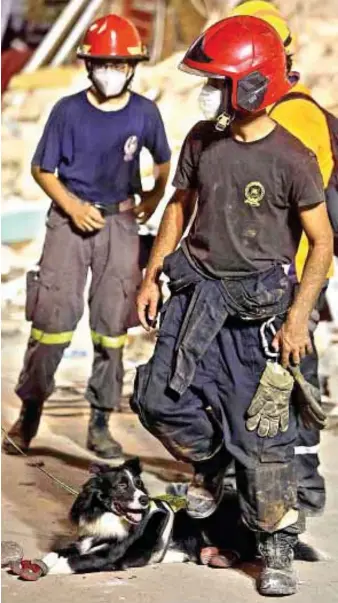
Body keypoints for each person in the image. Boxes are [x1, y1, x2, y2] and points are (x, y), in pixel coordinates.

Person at [130, 15, 333, 596]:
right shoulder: (202, 137)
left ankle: (275, 550)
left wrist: (298, 319)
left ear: (251, 85)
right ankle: (214, 464)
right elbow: (179, 204)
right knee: (156, 399)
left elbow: (320, 242)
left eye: (220, 82)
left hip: (259, 314)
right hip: (197, 295)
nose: (210, 93)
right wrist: (151, 275)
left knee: (264, 443)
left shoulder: (292, 157)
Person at [2, 14, 171, 459]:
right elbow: (43, 169)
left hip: (119, 222)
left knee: (112, 325)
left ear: (133, 67)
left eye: (119, 63)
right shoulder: (67, 111)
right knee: (53, 319)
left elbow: (163, 162)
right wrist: (73, 206)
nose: (111, 71)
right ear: (87, 65)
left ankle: (100, 420)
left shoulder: (145, 113)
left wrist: (152, 197)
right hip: (69, 220)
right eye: (102, 63)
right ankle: (30, 411)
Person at [229, 0, 335, 517]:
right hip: (274, 272)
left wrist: (296, 300)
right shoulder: (266, 112)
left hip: (290, 273)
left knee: (292, 368)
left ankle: (305, 482)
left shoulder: (294, 115)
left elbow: (297, 215)